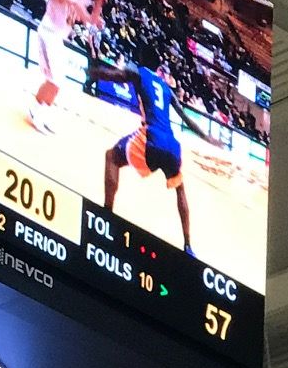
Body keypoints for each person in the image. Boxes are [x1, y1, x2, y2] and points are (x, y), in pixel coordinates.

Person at [88, 53, 210, 255]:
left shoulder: (139, 72)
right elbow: (186, 119)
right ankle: (188, 245)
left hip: (150, 139)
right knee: (180, 190)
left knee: (112, 157)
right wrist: (207, 138)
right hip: (172, 146)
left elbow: (116, 76)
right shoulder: (166, 88)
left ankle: (106, 216)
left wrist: (95, 72)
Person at [28, 0, 99, 134]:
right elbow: (73, 1)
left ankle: (40, 112)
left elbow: (91, 20)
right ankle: (36, 112)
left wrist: (99, 0)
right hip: (47, 35)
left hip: (57, 40)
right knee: (52, 80)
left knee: (58, 81)